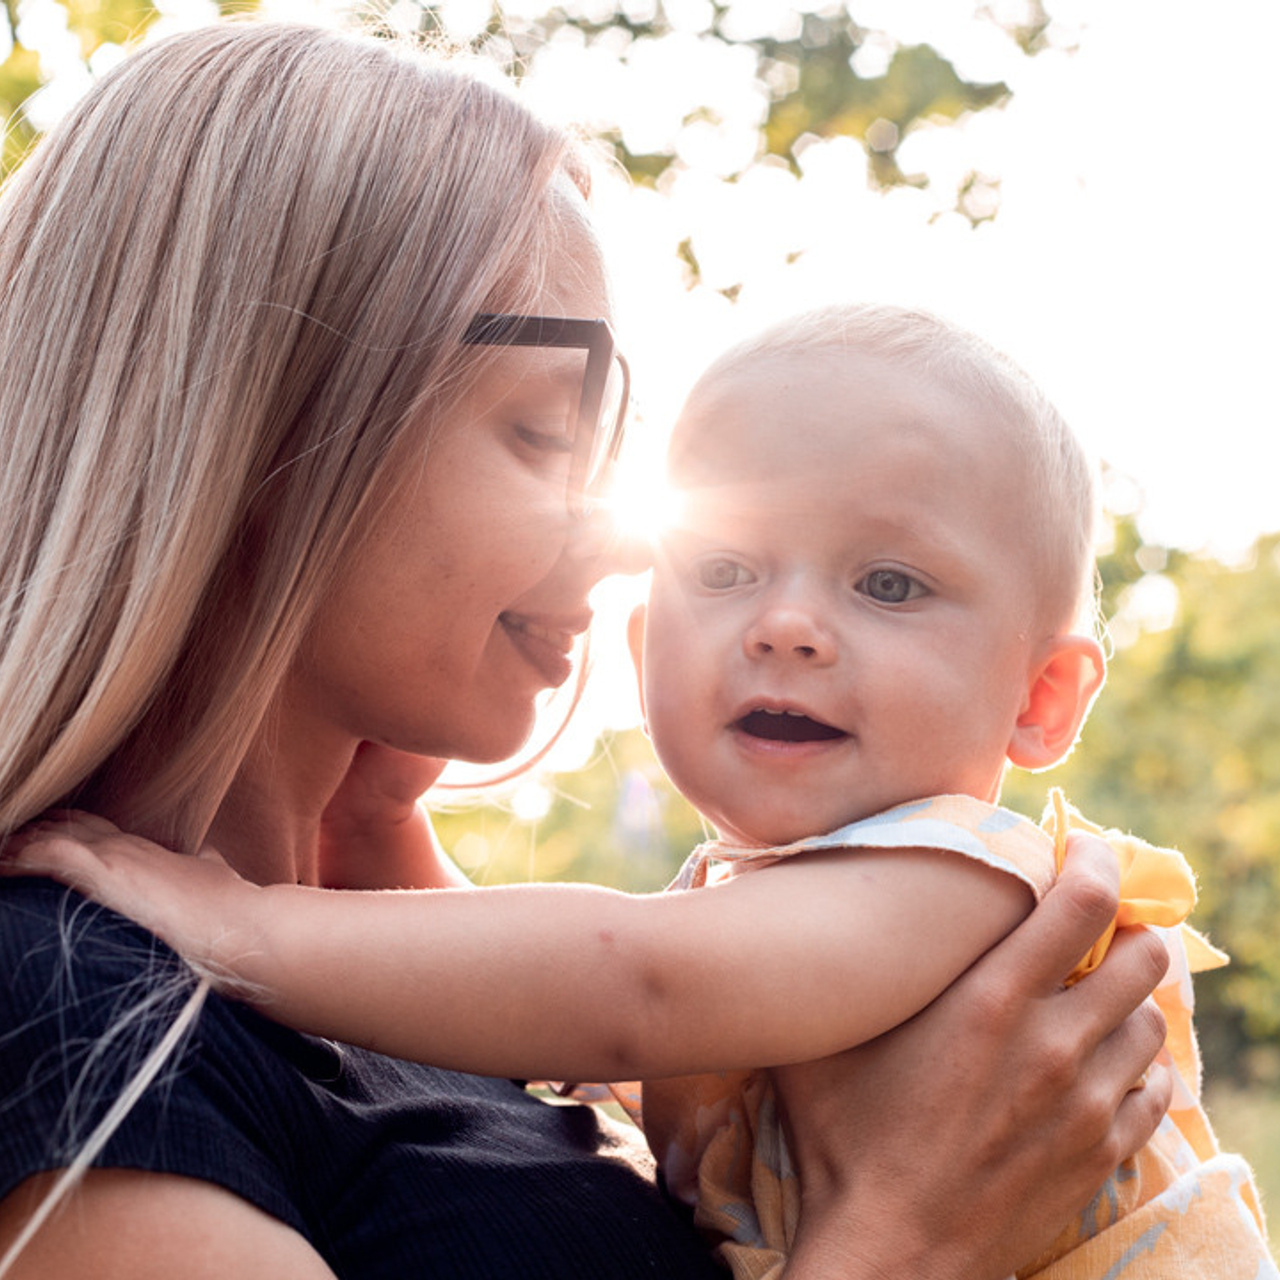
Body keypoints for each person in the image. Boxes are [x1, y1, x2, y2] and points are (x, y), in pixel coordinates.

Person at [0, 20, 1176, 1280]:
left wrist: (366, 859)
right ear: (259, 430)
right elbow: (636, 987)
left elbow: (621, 1000)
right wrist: (911, 1233)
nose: (627, 552)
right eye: (541, 435)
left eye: (888, 582)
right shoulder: (64, 997)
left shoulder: (354, 976)